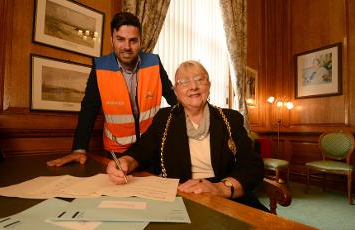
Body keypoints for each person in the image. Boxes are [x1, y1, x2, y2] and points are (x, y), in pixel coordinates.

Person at [106, 60, 267, 211]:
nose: (193, 86)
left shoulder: (230, 118)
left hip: (226, 200)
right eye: (184, 82)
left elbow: (252, 165)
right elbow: (141, 151)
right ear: (176, 91)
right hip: (179, 197)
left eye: (199, 79)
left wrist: (220, 188)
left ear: (209, 85)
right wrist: (126, 161)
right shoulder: (164, 118)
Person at [47, 12, 177, 167]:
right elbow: (88, 109)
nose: (127, 47)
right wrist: (79, 149)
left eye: (133, 41)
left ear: (141, 41)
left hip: (149, 149)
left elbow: (173, 99)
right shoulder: (99, 67)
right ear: (112, 40)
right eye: (120, 39)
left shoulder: (154, 62)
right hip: (116, 151)